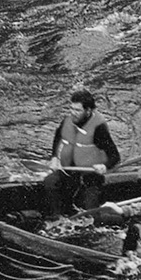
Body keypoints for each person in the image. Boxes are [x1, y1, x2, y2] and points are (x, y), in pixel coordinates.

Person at [43, 89, 120, 217]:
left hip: (90, 177)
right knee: (50, 182)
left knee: (90, 211)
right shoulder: (67, 121)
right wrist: (55, 158)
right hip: (68, 171)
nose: (73, 113)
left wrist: (105, 166)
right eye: (71, 109)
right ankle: (57, 219)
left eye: (77, 110)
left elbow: (115, 156)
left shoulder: (99, 129)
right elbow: (58, 138)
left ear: (88, 111)